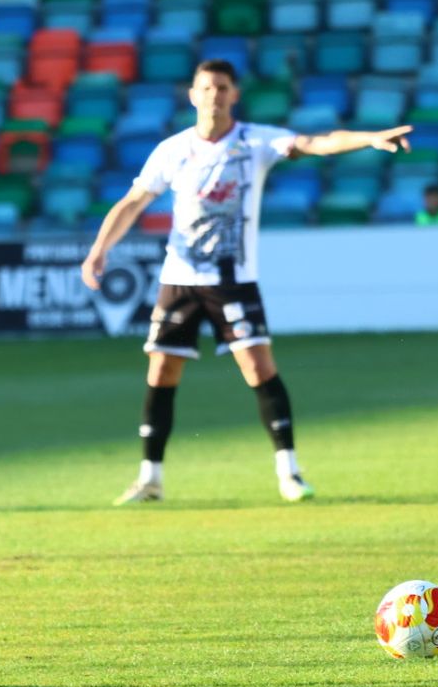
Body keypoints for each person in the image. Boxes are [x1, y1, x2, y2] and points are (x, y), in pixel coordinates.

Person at [81, 59, 412, 506]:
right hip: (179, 277)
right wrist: (100, 248)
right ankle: (150, 477)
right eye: (206, 88)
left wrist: (369, 139)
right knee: (161, 369)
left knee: (258, 369)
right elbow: (133, 201)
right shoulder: (172, 149)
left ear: (234, 94)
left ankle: (290, 473)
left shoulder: (255, 141)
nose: (214, 95)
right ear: (192, 96)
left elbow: (316, 142)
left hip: (234, 279)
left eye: (222, 87)